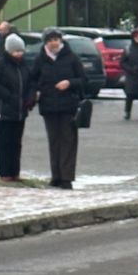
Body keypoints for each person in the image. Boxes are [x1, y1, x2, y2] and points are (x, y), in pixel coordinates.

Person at [28, 26, 84, 188]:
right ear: (46, 42)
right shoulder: (41, 59)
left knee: (68, 141)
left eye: (56, 39)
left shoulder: (71, 57)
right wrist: (35, 93)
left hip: (68, 106)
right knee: (54, 141)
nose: (54, 43)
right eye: (51, 40)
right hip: (49, 106)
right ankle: (56, 176)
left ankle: (66, 178)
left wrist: (69, 83)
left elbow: (83, 79)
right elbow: (32, 80)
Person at [0, 33, 30, 182]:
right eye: (16, 51)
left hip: (19, 111)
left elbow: (30, 83)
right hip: (2, 111)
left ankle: (15, 172)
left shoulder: (24, 65)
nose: (19, 54)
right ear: (9, 51)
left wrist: (29, 98)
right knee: (5, 142)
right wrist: (8, 96)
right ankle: (4, 173)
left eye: (21, 51)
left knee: (16, 143)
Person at [120, 27, 138, 121]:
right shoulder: (128, 49)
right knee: (129, 95)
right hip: (131, 76)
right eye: (136, 37)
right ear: (133, 38)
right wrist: (130, 69)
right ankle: (127, 112)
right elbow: (122, 63)